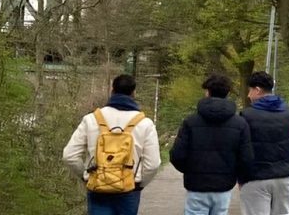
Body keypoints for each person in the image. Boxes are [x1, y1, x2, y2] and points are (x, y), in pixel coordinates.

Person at [62, 73, 161, 215]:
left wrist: (86, 176)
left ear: (112, 90)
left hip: (98, 187)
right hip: (128, 189)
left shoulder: (91, 119)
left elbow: (69, 156)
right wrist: (139, 184)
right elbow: (153, 164)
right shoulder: (145, 124)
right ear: (133, 93)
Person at [171, 73, 254, 215]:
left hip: (197, 186)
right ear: (227, 93)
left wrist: (191, 171)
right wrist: (234, 174)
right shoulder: (240, 124)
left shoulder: (190, 122)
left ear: (207, 92)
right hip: (224, 186)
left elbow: (177, 155)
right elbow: (246, 158)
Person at [238, 71, 289, 215]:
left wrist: (241, 178)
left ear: (257, 90)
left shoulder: (246, 116)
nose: (248, 95)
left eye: (250, 90)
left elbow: (241, 150)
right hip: (285, 178)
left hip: (255, 180)